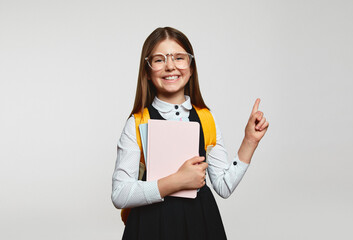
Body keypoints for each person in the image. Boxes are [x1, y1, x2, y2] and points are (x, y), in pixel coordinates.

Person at [111, 27, 269, 240]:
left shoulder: (206, 118)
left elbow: (223, 186)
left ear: (191, 67)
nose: (170, 66)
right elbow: (120, 194)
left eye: (179, 57)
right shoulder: (138, 122)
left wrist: (249, 141)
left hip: (200, 224)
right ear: (147, 71)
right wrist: (176, 181)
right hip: (151, 227)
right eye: (159, 60)